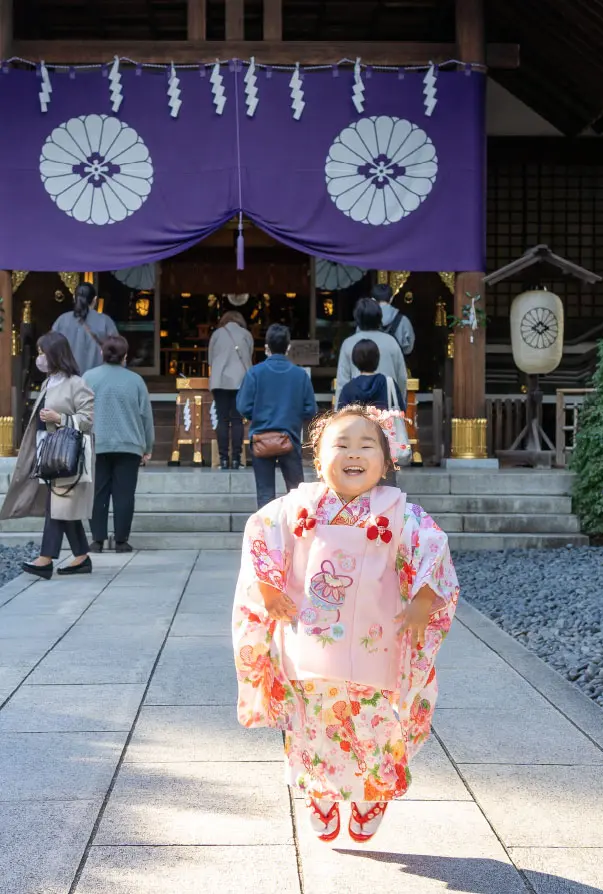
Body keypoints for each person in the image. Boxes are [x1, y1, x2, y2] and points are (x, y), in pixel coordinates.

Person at [232, 404, 459, 843]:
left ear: (386, 460)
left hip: (376, 642)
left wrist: (421, 602)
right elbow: (261, 534)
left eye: (366, 444)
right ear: (318, 460)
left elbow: (434, 551)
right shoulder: (297, 507)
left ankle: (372, 792)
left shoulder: (402, 514)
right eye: (341, 444)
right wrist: (269, 590)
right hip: (307, 641)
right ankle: (319, 788)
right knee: (312, 723)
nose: (353, 453)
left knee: (373, 724)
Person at [0, 331, 95, 579]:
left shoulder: (76, 383)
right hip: (49, 452)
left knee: (56, 505)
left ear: (56, 354)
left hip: (66, 455)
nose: (39, 358)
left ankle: (45, 559)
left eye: (43, 352)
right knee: (62, 506)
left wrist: (60, 418)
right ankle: (82, 557)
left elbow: (88, 420)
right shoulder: (48, 382)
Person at [83, 336, 154, 554]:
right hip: (129, 445)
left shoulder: (88, 377)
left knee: (97, 493)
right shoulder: (135, 381)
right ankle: (122, 540)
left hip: (97, 443)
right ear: (124, 356)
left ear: (102, 354)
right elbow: (146, 417)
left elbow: (81, 411)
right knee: (124, 494)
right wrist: (147, 447)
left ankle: (97, 539)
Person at [238, 324, 317, 509]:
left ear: (266, 348)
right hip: (290, 438)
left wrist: (257, 415)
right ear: (288, 347)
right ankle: (296, 533)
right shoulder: (300, 375)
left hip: (261, 439)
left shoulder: (254, 373)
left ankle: (266, 535)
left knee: (265, 494)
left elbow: (243, 406)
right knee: (296, 494)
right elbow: (310, 409)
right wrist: (292, 415)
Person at [336, 297, 408, 406]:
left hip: (357, 412)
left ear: (357, 318)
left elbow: (342, 383)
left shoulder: (348, 344)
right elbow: (402, 378)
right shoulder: (391, 342)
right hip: (387, 411)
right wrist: (399, 402)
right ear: (379, 317)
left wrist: (339, 413)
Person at [209, 311, 254, 470]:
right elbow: (249, 355)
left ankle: (222, 459)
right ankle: (236, 459)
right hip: (240, 382)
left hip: (219, 381)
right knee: (237, 420)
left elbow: (210, 359)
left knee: (222, 420)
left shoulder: (217, 334)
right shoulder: (246, 335)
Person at [52, 282, 118, 375]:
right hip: (97, 380)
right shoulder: (105, 321)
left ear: (74, 298)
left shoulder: (62, 320)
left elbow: (50, 349)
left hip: (67, 380)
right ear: (95, 300)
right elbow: (117, 351)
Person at [337, 339, 407, 412]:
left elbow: (340, 418)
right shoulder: (389, 384)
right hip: (385, 423)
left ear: (355, 360)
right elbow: (401, 412)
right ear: (377, 358)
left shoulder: (348, 389)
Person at [372, 283, 415, 357]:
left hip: (371, 366)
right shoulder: (403, 320)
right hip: (395, 365)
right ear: (391, 298)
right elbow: (408, 349)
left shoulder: (365, 320)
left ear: (373, 300)